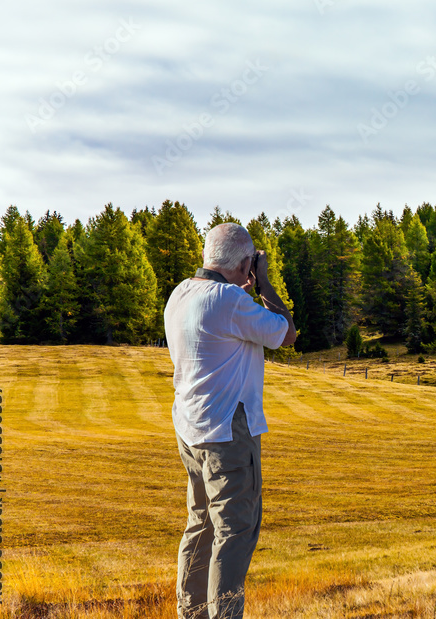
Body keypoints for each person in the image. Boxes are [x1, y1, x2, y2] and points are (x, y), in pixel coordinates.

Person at [164, 222, 296, 619]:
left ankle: (191, 612)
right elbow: (286, 334)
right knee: (235, 533)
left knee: (201, 524)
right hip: (227, 432)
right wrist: (267, 286)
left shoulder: (182, 293)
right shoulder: (230, 302)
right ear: (244, 264)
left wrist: (241, 286)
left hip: (190, 428)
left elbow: (220, 313)